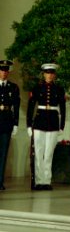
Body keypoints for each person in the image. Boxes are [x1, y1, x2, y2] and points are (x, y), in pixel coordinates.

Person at [27, 63, 66, 191]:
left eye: (51, 73)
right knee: (38, 152)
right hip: (39, 122)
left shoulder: (59, 89)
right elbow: (31, 107)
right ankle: (38, 181)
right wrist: (28, 125)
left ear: (54, 75)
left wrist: (62, 126)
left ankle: (46, 181)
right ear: (44, 74)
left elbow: (63, 108)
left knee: (49, 153)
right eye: (47, 73)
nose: (49, 75)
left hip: (53, 122)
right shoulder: (37, 88)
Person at [0, 60, 20, 191]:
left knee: (3, 154)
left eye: (6, 70)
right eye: (2, 70)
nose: (4, 73)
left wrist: (15, 124)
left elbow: (16, 107)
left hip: (6, 123)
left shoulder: (13, 87)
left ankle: (0, 181)